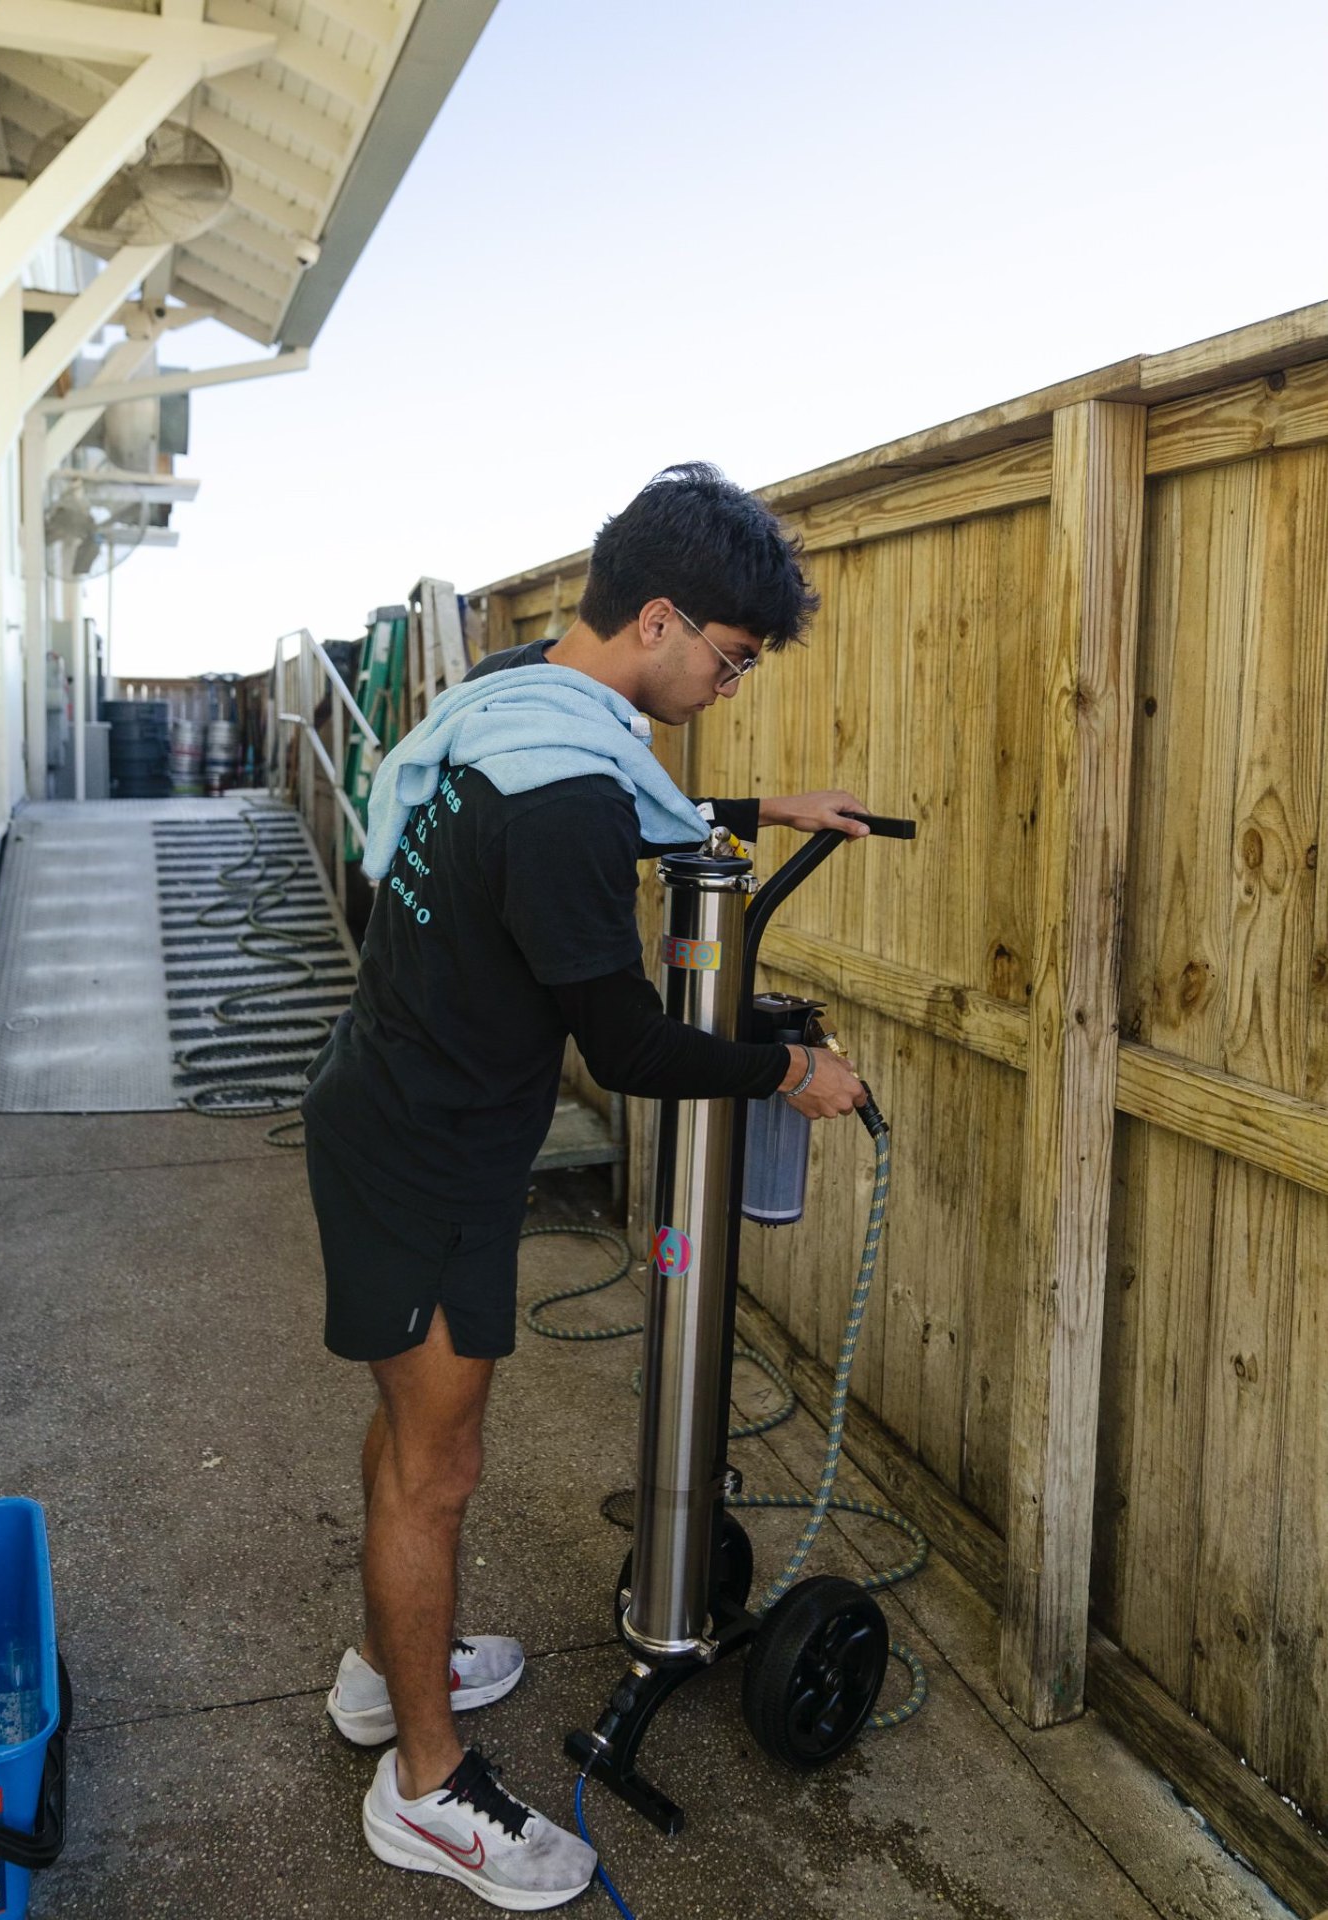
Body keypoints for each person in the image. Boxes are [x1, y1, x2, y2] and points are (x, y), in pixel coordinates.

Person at [302, 463, 870, 1911]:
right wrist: (790, 1079)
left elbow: (606, 809)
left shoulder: (521, 693)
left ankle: (389, 1671)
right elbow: (627, 1048)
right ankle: (424, 1787)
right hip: (429, 1156)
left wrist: (749, 804)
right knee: (438, 1472)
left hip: (401, 1114)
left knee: (411, 1444)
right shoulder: (564, 793)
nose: (731, 686)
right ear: (664, 618)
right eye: (730, 660)